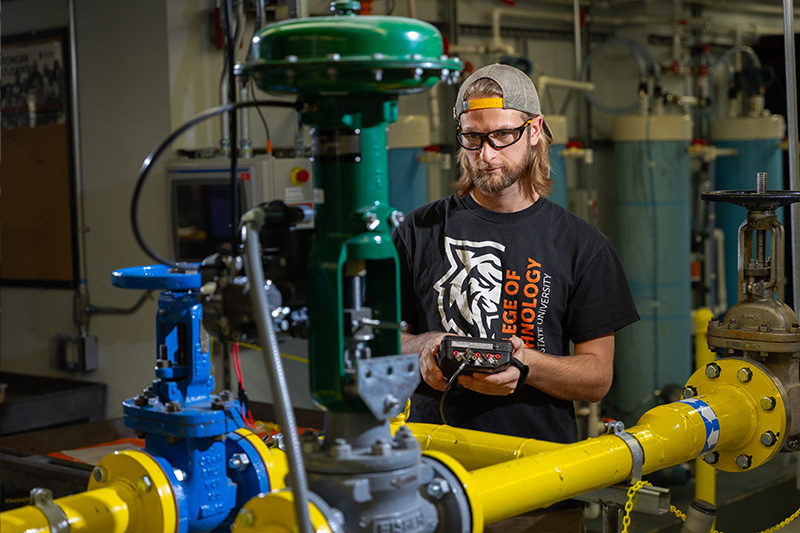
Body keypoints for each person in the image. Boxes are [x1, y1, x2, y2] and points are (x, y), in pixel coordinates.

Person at [391, 63, 640, 532]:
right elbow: (377, 344)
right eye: (471, 138)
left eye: (501, 136)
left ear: (535, 131)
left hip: (540, 487)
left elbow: (596, 377)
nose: (485, 154)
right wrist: (423, 348)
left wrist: (526, 363)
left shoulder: (581, 245)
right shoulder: (417, 231)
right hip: (435, 483)